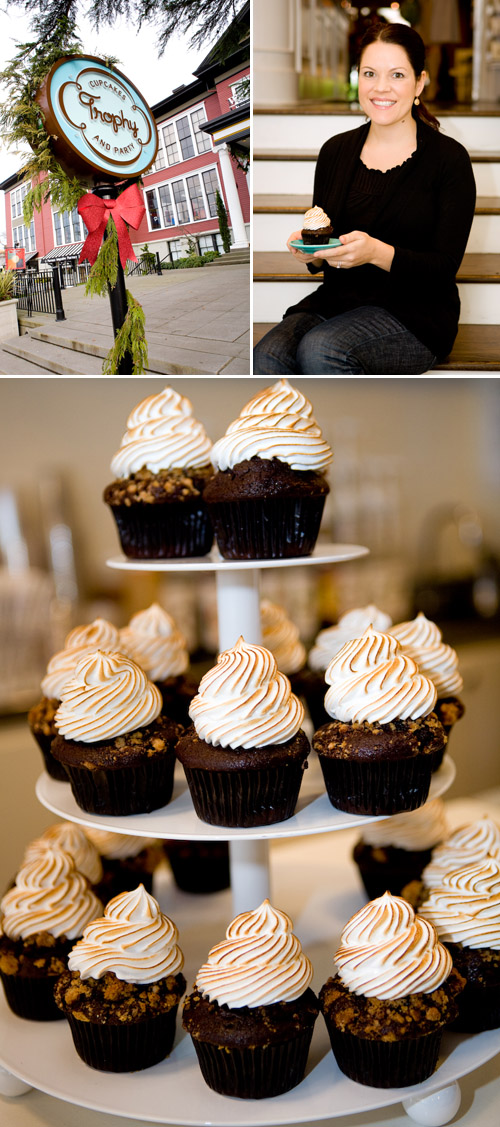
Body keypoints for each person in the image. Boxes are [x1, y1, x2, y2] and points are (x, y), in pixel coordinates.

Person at [253, 22, 476, 376]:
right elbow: (326, 243)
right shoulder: (335, 152)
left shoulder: (449, 160)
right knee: (267, 355)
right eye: (370, 73)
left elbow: (444, 267)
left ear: (420, 83)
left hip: (417, 314)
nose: (381, 87)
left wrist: (376, 253)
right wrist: (309, 253)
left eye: (397, 75)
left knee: (321, 349)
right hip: (340, 301)